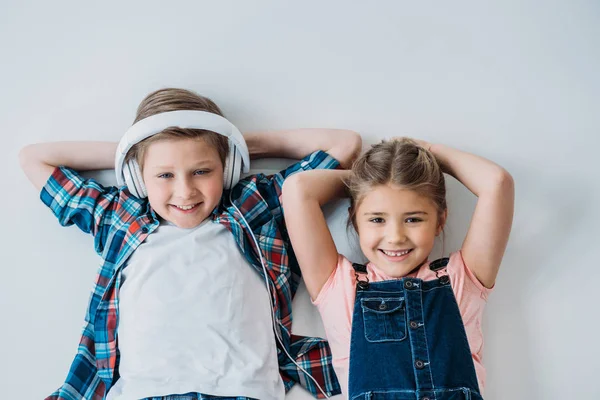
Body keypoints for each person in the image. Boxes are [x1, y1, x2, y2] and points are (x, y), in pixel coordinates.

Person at [19, 88, 362, 400]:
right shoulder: (119, 217)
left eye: (201, 171)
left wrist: (233, 144)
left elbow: (344, 144)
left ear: (226, 170)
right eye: (164, 174)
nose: (185, 191)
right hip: (142, 393)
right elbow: (34, 159)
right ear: (139, 176)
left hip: (245, 391)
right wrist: (136, 151)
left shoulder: (252, 206)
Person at [281, 138, 514, 399]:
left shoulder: (462, 280)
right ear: (355, 222)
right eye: (377, 219)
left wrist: (432, 154)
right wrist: (365, 181)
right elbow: (297, 189)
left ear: (440, 221)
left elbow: (498, 183)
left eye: (413, 219)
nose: (395, 237)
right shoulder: (339, 287)